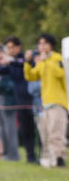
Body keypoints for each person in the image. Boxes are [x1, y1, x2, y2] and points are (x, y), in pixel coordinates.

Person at [24, 33, 67, 168]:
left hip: (58, 102)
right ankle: (49, 160)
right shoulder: (41, 61)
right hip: (45, 103)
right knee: (45, 133)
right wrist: (27, 62)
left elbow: (60, 73)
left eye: (44, 43)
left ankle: (59, 159)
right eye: (39, 44)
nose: (41, 46)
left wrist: (46, 60)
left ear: (50, 45)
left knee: (56, 133)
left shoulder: (57, 58)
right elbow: (31, 76)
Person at [0, 36, 37, 163]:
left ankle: (43, 155)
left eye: (11, 47)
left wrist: (9, 61)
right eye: (8, 48)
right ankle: (30, 156)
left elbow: (22, 64)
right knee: (25, 130)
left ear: (18, 47)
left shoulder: (25, 58)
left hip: (32, 100)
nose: (10, 50)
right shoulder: (12, 62)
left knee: (37, 129)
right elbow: (1, 70)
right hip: (19, 101)